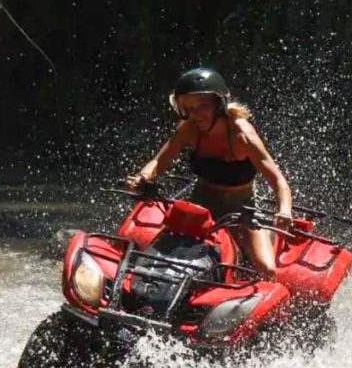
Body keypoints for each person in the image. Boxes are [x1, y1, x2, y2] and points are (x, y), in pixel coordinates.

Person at [126, 67, 293, 279]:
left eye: (203, 106)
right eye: (189, 108)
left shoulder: (242, 135)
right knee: (159, 254)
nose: (196, 114)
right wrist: (142, 178)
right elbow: (159, 161)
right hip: (200, 204)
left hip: (241, 209)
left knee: (267, 269)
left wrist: (284, 210)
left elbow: (278, 180)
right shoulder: (188, 128)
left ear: (219, 104)